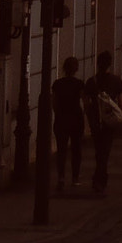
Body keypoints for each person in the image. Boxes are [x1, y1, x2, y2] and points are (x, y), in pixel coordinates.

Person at [84, 51, 122, 197]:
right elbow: (121, 103)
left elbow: (86, 104)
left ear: (98, 64)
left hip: (97, 122)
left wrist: (91, 118)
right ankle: (100, 180)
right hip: (109, 122)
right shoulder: (116, 81)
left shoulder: (91, 82)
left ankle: (98, 179)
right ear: (110, 64)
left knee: (99, 151)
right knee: (105, 152)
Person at [52, 57, 86, 191]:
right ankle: (75, 178)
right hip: (76, 118)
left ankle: (61, 178)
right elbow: (84, 101)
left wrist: (58, 113)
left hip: (62, 118)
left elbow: (54, 102)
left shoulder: (57, 84)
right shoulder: (79, 84)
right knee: (76, 149)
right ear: (76, 69)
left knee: (61, 150)